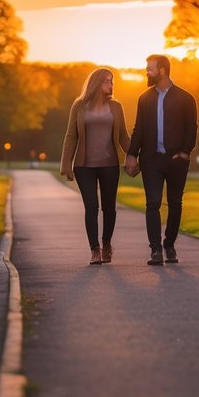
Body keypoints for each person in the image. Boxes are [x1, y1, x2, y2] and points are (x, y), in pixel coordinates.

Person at [125, 54, 197, 266]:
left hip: (176, 160)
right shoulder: (144, 98)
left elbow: (192, 128)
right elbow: (138, 129)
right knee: (153, 203)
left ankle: (169, 245)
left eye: (150, 69)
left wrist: (185, 152)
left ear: (162, 70)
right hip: (151, 160)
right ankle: (155, 249)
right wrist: (131, 154)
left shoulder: (186, 98)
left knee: (175, 203)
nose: (146, 72)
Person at [60, 67, 131, 265]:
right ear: (96, 83)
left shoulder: (116, 106)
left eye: (112, 81)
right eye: (107, 81)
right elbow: (71, 135)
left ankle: (106, 243)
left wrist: (133, 156)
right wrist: (66, 163)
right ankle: (95, 250)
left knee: (109, 208)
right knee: (91, 207)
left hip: (110, 165)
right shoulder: (79, 105)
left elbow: (124, 136)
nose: (111, 84)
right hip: (84, 166)